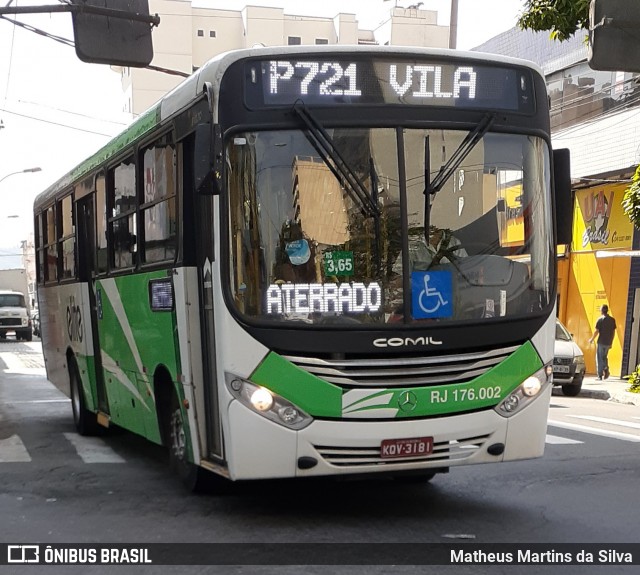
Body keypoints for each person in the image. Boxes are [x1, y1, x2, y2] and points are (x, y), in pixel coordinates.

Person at [588, 304, 616, 380]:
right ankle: (606, 369)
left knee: (599, 358)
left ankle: (600, 375)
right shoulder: (612, 320)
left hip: (601, 342)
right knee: (604, 357)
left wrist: (592, 339)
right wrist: (611, 342)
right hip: (608, 342)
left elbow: (596, 331)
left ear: (602, 311)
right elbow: (613, 332)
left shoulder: (600, 319)